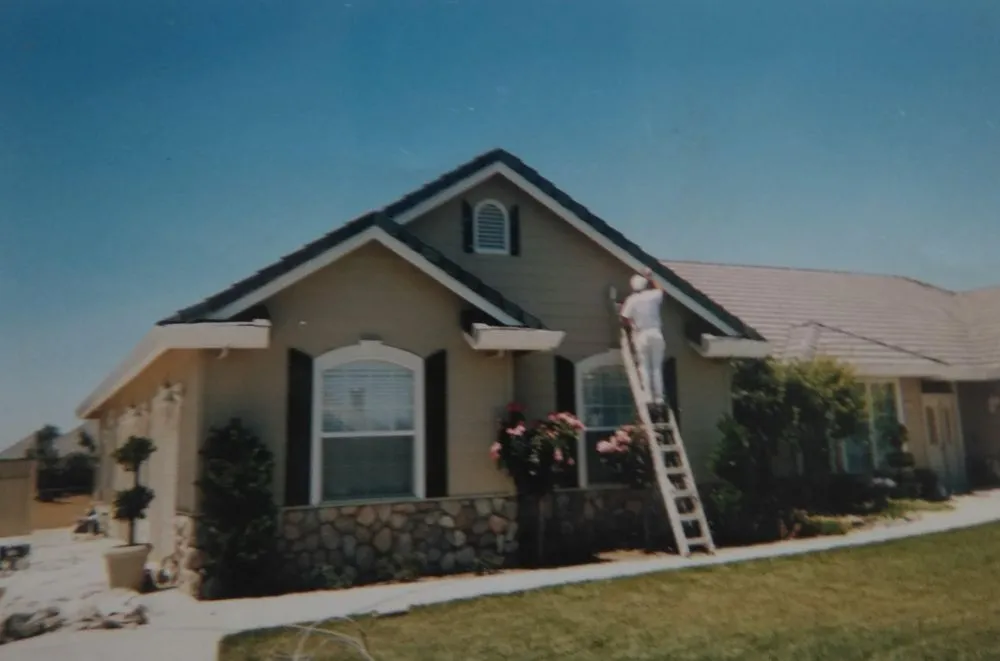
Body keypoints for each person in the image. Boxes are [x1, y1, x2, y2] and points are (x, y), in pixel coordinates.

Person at [620, 267, 667, 421]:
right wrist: (650, 276)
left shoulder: (631, 300)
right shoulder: (653, 295)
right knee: (656, 368)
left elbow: (624, 318)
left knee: (644, 367)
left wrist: (631, 324)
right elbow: (661, 289)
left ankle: (648, 398)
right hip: (656, 333)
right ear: (645, 285)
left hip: (641, 334)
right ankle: (659, 399)